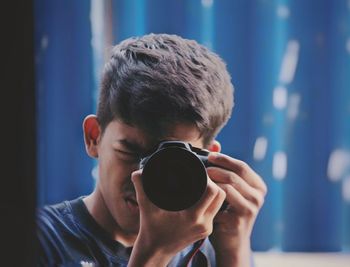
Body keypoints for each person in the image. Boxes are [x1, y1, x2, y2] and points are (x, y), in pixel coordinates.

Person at [37, 33, 267, 267]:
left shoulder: (210, 247)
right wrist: (155, 253)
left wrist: (234, 249)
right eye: (131, 152)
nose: (142, 178)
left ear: (207, 162)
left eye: (171, 160)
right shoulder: (35, 241)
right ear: (94, 137)